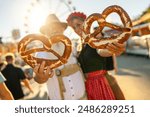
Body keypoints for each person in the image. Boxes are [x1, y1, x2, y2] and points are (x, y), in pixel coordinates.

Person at [66, 12, 125, 100]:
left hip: (100, 83)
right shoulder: (79, 44)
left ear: (86, 23)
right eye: (74, 27)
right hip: (86, 85)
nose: (77, 29)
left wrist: (112, 49)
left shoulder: (95, 37)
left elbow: (101, 50)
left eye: (78, 24)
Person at [33, 14, 86, 100]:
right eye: (49, 28)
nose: (54, 30)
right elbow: (38, 78)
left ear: (63, 29)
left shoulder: (74, 47)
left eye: (57, 27)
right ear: (45, 33)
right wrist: (40, 77)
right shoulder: (40, 54)